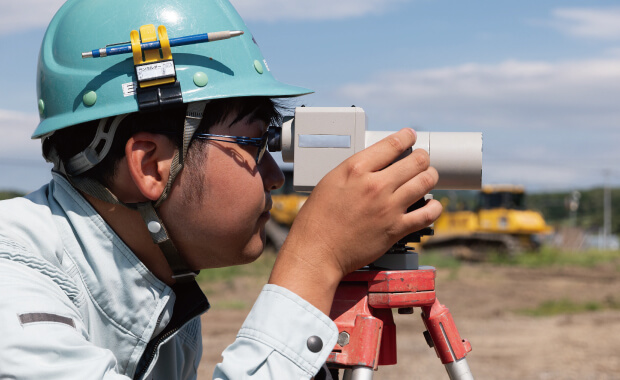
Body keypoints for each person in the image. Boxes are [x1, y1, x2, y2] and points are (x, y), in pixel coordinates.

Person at [0, 0, 442, 379]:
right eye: (254, 143)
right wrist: (315, 260)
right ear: (151, 164)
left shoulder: (159, 290)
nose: (274, 175)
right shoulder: (12, 286)